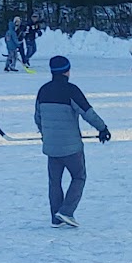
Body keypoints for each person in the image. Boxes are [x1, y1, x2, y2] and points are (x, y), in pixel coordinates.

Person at [34, 54, 110, 228]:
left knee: (54, 182)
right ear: (66, 71)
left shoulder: (43, 91)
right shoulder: (71, 90)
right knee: (79, 177)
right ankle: (66, 211)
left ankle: (55, 217)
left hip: (51, 147)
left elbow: (38, 117)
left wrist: (45, 135)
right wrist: (103, 129)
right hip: (71, 148)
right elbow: (87, 113)